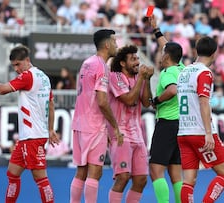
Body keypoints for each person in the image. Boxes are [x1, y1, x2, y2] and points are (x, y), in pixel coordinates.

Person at [0, 45, 60, 203]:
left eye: (18, 64)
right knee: (12, 173)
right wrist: (50, 129)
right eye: (13, 66)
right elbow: (51, 104)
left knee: (40, 178)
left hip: (33, 137)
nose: (16, 69)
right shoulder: (43, 76)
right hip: (28, 137)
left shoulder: (27, 76)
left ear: (27, 60)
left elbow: (2, 90)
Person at [69, 29, 123, 203]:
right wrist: (114, 126)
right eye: (114, 41)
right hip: (93, 125)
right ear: (107, 45)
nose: (116, 45)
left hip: (79, 123)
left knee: (81, 171)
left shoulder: (87, 63)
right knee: (95, 172)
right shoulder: (101, 66)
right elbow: (101, 101)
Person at [177, 36, 224, 203]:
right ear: (214, 54)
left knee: (188, 181)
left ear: (196, 50)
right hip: (200, 131)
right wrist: (208, 133)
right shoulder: (205, 73)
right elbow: (203, 101)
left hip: (183, 132)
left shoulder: (184, 71)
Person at [108, 45, 154, 202]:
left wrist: (146, 79)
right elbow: (129, 100)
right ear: (122, 63)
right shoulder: (115, 77)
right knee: (123, 177)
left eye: (138, 59)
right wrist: (141, 78)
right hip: (120, 133)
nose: (137, 62)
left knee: (141, 180)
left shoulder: (138, 78)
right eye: (133, 59)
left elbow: (147, 103)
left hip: (137, 134)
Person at [148, 15, 184, 203]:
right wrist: (156, 30)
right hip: (181, 126)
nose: (160, 55)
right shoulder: (182, 68)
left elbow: (172, 90)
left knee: (155, 169)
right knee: (175, 173)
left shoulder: (167, 72)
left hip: (167, 124)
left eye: (163, 53)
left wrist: (157, 100)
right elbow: (167, 46)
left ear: (167, 57)